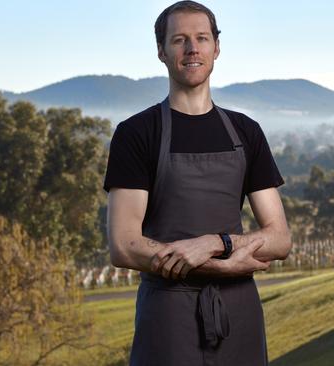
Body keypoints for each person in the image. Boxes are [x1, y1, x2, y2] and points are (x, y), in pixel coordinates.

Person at [102, 1, 293, 365]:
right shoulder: (136, 134)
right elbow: (124, 247)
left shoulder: (246, 131)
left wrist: (214, 244)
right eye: (180, 40)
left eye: (202, 38)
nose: (192, 49)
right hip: (168, 315)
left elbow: (280, 238)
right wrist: (220, 264)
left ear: (216, 48)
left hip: (240, 314)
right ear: (161, 51)